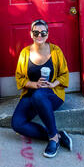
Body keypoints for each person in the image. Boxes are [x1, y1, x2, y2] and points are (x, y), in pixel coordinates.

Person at [11, 19, 73, 158]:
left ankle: (53, 139)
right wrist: (34, 84)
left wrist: (53, 84)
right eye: (36, 32)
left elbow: (64, 75)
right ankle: (57, 135)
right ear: (31, 34)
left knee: (39, 95)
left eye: (43, 32)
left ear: (47, 34)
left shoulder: (56, 51)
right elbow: (19, 78)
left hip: (52, 95)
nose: (40, 35)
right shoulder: (25, 53)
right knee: (17, 124)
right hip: (31, 94)